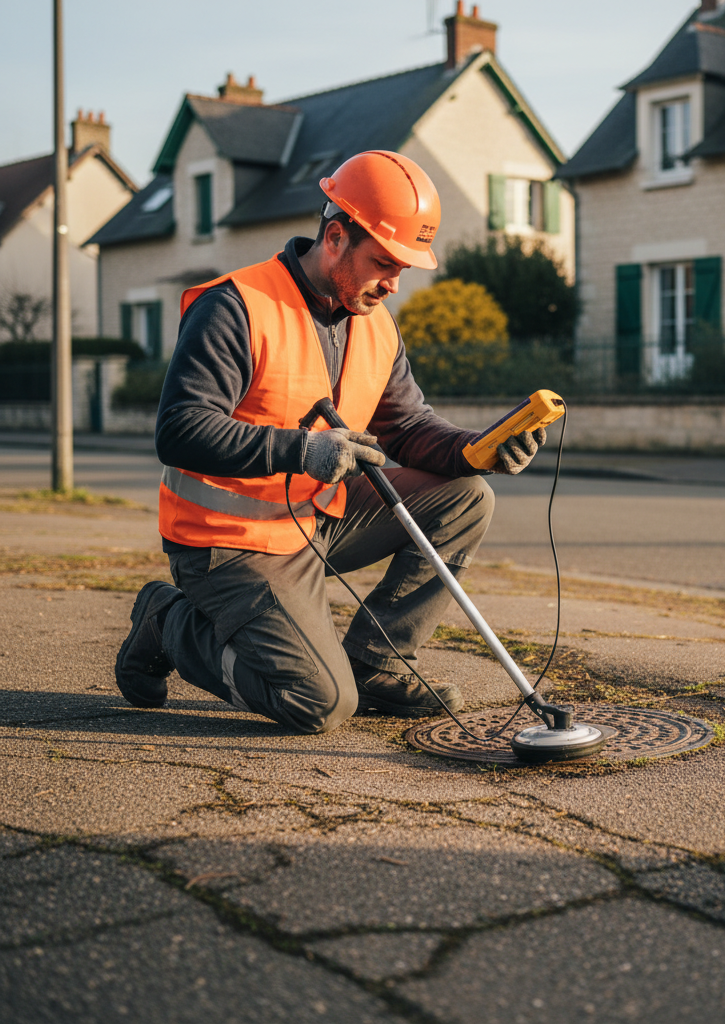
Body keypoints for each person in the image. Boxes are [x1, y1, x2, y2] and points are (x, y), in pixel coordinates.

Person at [114, 150, 545, 734]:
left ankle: (375, 663)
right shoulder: (236, 306)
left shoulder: (375, 323)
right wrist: (302, 450)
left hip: (315, 524)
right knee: (316, 703)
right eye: (384, 263)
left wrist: (479, 449)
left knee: (466, 497)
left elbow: (408, 426)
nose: (393, 284)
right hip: (227, 544)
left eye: (403, 268)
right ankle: (166, 621)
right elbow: (180, 429)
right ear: (336, 236)